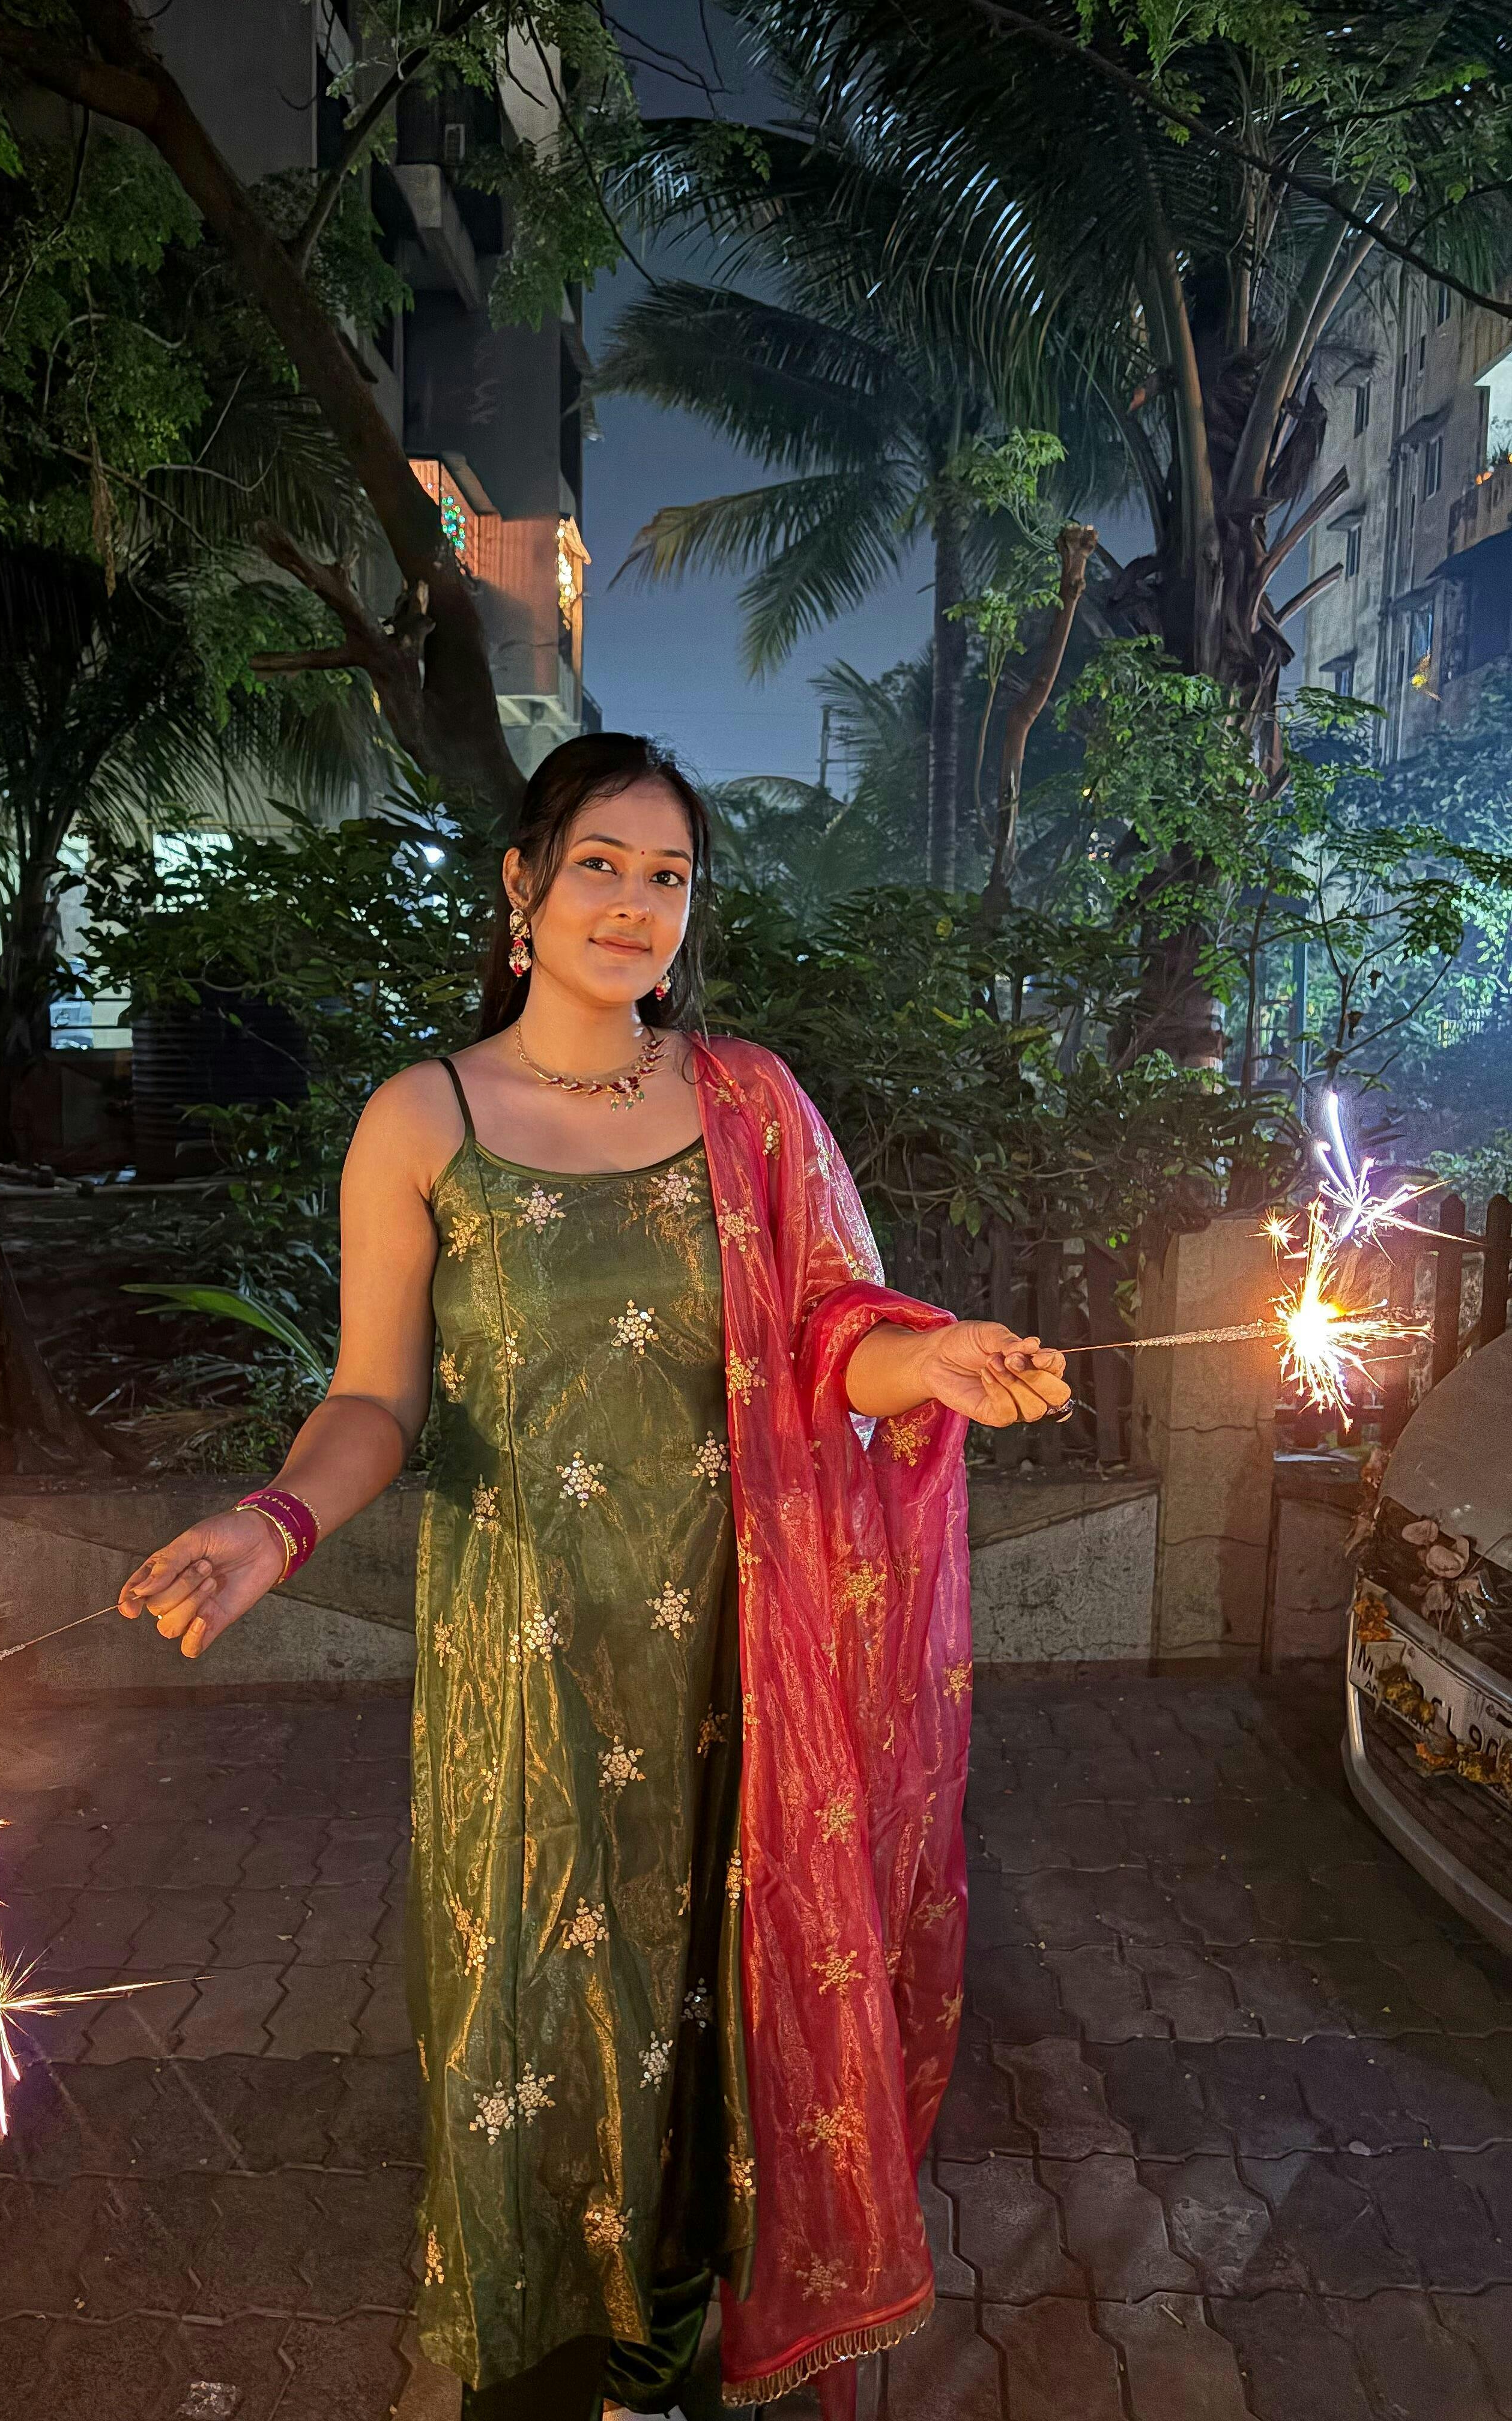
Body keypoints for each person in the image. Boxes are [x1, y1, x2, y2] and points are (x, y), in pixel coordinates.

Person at [118, 734, 1069, 2419]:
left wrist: (927, 1364)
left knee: (726, 2003)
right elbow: (376, 1399)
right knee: (551, 2001)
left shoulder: (749, 1104)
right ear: (523, 885)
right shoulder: (424, 1119)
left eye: (669, 876)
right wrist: (274, 1523)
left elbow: (827, 1339)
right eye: (601, 867)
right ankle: (576, 2341)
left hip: (740, 1650)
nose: (635, 905)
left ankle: (677, 2348)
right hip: (532, 1659)